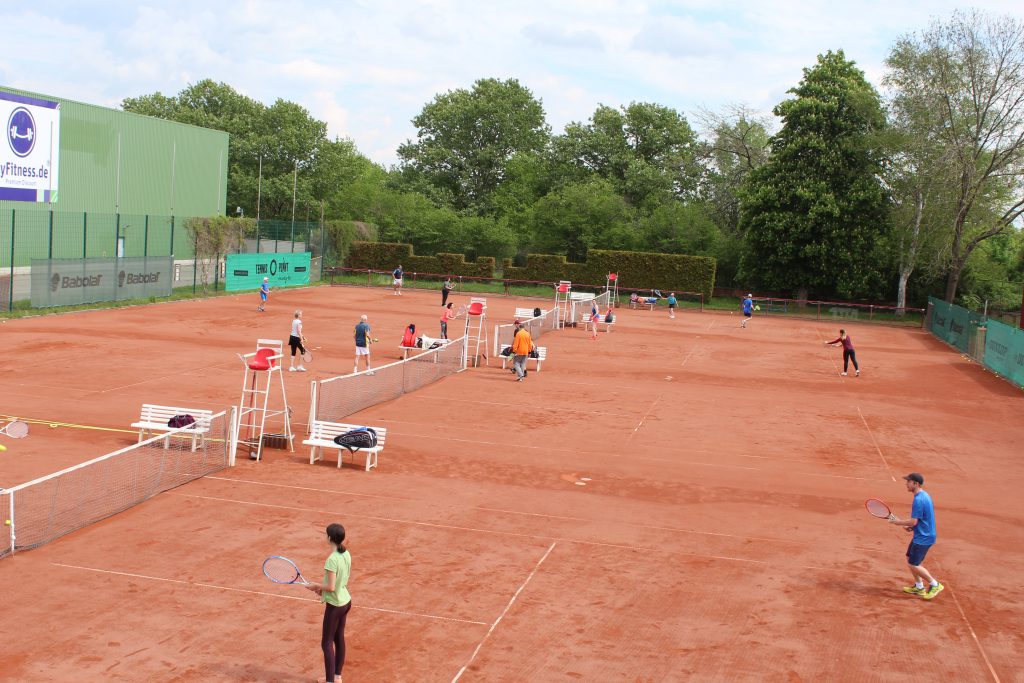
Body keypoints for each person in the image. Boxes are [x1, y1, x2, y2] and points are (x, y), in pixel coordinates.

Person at [306, 523, 352, 683]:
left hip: (335, 606)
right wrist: (321, 590)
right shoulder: (346, 553)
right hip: (346, 600)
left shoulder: (332, 559)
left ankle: (330, 682)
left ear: (330, 538)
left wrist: (316, 586)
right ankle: (337, 677)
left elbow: (331, 587)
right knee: (339, 638)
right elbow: (339, 582)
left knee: (326, 643)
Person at [890, 473, 943, 600]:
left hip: (924, 538)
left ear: (916, 484)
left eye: (909, 481)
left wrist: (898, 522)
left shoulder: (919, 500)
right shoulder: (924, 495)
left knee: (914, 564)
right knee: (910, 559)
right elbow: (920, 520)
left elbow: (914, 521)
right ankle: (919, 587)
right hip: (921, 534)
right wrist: (912, 527)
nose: (906, 483)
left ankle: (934, 584)